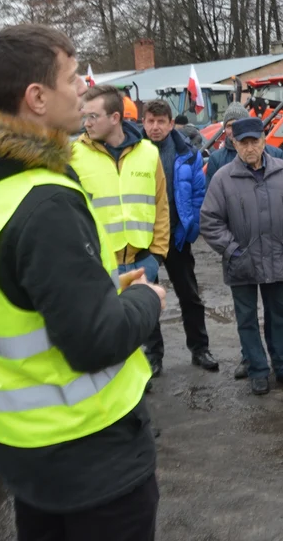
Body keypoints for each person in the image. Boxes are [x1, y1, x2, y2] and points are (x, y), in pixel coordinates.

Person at [0, 24, 165, 539]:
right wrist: (145, 300)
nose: (83, 88)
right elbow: (95, 340)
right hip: (90, 452)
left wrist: (102, 291)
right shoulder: (43, 200)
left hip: (22, 449)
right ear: (36, 97)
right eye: (71, 78)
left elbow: (14, 298)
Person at [200, 117, 283, 396]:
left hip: (279, 257)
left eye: (255, 141)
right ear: (234, 143)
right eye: (244, 142)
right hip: (242, 262)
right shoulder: (223, 178)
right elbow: (210, 221)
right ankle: (258, 370)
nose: (250, 147)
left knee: (282, 314)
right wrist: (233, 250)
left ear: (264, 142)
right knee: (247, 319)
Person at [72, 84, 171, 375]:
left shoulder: (148, 153)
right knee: (108, 328)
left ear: (115, 117)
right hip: (100, 262)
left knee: (146, 318)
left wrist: (157, 255)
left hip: (143, 258)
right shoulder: (73, 155)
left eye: (93, 116)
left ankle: (151, 366)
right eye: (84, 117)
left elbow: (160, 206)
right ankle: (121, 378)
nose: (86, 123)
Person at [142, 100, 218, 373]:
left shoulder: (187, 153)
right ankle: (153, 356)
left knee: (190, 295)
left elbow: (198, 192)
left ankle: (200, 349)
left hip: (176, 235)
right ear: (143, 122)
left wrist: (191, 225)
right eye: (150, 121)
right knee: (147, 298)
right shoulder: (133, 152)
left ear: (171, 124)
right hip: (144, 239)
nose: (155, 127)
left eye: (161, 122)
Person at [205, 103, 283, 186]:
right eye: (229, 126)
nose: (233, 130)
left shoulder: (276, 154)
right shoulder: (216, 159)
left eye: (237, 125)